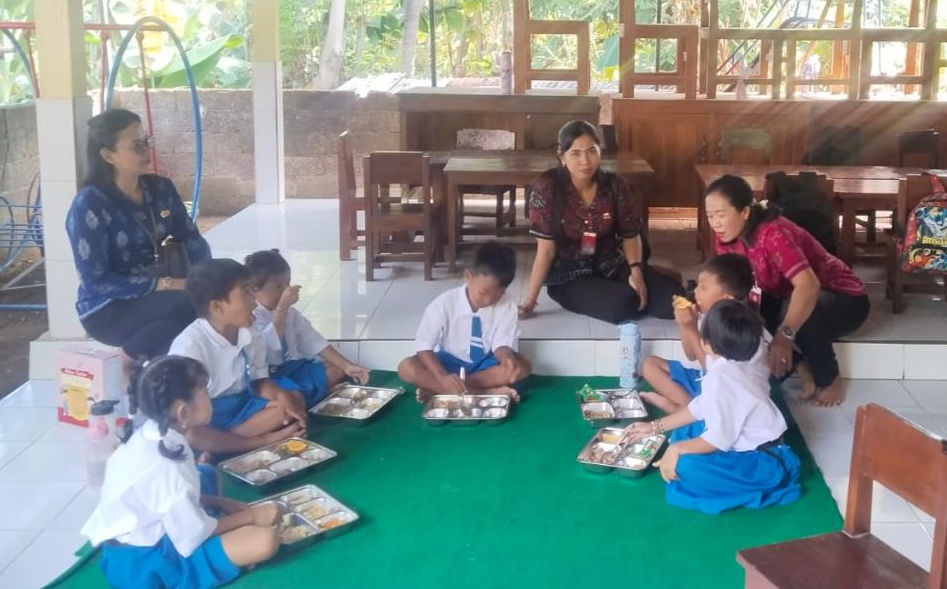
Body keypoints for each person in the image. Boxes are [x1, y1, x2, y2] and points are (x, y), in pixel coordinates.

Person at [81, 355, 281, 589]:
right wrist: (250, 516)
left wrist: (220, 502)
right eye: (205, 394)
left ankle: (222, 528)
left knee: (207, 473)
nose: (210, 399)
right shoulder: (168, 467)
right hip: (142, 562)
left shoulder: (155, 432)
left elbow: (164, 497)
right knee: (265, 540)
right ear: (183, 412)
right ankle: (211, 557)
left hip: (146, 534)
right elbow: (192, 534)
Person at [703, 174, 870, 408]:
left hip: (843, 299)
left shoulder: (773, 234)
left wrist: (784, 337)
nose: (715, 224)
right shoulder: (725, 238)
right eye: (710, 216)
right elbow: (736, 284)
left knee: (803, 308)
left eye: (721, 215)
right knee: (746, 310)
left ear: (745, 212)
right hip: (785, 294)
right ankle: (799, 365)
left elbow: (808, 286)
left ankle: (829, 377)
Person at [629, 300, 802, 514]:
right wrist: (654, 427)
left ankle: (758, 483)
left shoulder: (721, 378)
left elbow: (718, 440)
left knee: (685, 466)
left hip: (763, 462)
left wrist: (676, 449)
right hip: (755, 447)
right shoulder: (737, 362)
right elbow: (700, 407)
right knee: (686, 432)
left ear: (706, 342)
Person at [67, 109, 212, 361]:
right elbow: (95, 281)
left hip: (158, 294)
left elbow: (192, 240)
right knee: (189, 305)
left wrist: (212, 277)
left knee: (209, 302)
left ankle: (159, 373)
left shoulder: (160, 189)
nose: (147, 151)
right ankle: (129, 360)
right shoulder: (89, 205)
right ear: (108, 155)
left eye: (147, 142)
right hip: (108, 307)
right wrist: (168, 284)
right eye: (137, 146)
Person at [519, 119, 680, 324]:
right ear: (562, 157)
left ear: (600, 152)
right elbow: (546, 251)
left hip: (611, 263)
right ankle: (627, 291)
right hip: (570, 276)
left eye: (591, 151)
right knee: (623, 304)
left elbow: (630, 235)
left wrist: (636, 271)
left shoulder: (614, 184)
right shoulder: (547, 188)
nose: (585, 161)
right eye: (575, 153)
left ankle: (648, 281)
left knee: (672, 300)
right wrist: (530, 301)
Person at [168, 259, 307, 457]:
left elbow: (259, 382)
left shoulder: (249, 331)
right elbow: (184, 419)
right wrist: (264, 439)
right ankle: (255, 441)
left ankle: (222, 444)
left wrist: (281, 396)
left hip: (242, 405)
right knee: (193, 435)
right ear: (217, 307)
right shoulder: (189, 348)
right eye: (246, 292)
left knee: (292, 401)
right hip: (207, 415)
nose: (254, 300)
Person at [399, 242, 532, 400]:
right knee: (406, 367)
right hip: (448, 365)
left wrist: (506, 358)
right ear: (468, 276)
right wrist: (442, 376)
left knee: (523, 366)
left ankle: (444, 389)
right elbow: (424, 346)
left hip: (484, 367)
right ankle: (485, 393)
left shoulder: (507, 306)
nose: (488, 300)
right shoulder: (444, 303)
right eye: (483, 292)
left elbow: (501, 344)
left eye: (497, 295)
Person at [639, 253, 767, 414]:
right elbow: (691, 355)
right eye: (698, 285)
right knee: (650, 365)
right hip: (709, 381)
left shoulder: (738, 328)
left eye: (704, 288)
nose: (696, 291)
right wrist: (684, 325)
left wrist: (691, 328)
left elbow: (715, 369)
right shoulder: (706, 315)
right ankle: (691, 409)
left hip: (731, 396)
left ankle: (690, 412)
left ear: (727, 299)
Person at [245, 249, 370, 407]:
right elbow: (268, 349)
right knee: (283, 396)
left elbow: (313, 340)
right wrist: (281, 310)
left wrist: (347, 366)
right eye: (278, 286)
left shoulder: (291, 313)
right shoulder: (249, 316)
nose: (286, 291)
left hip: (295, 369)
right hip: (269, 378)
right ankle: (313, 397)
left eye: (288, 284)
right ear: (254, 289)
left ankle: (307, 398)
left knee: (336, 370)